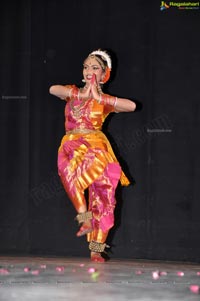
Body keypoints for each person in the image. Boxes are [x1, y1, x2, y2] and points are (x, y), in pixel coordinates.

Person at [49, 49, 136, 262]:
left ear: (104, 73)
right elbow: (53, 89)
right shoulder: (71, 91)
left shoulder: (104, 100)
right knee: (68, 175)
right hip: (72, 145)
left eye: (95, 67)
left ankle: (96, 248)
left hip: (96, 148)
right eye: (86, 66)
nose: (89, 71)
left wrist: (100, 97)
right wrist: (81, 94)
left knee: (104, 199)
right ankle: (84, 218)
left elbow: (132, 106)